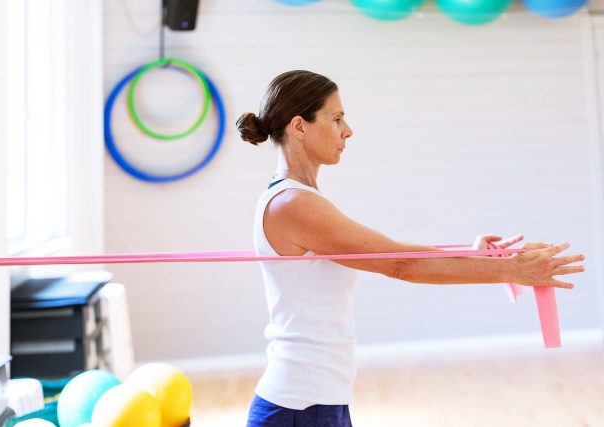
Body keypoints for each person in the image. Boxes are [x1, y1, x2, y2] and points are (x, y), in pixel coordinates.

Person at [236, 70, 585, 427]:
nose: (348, 130)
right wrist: (512, 270)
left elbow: (396, 253)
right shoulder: (291, 204)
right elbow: (400, 262)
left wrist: (475, 255)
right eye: (337, 118)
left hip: (318, 400)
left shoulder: (299, 198)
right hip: (299, 406)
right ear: (299, 126)